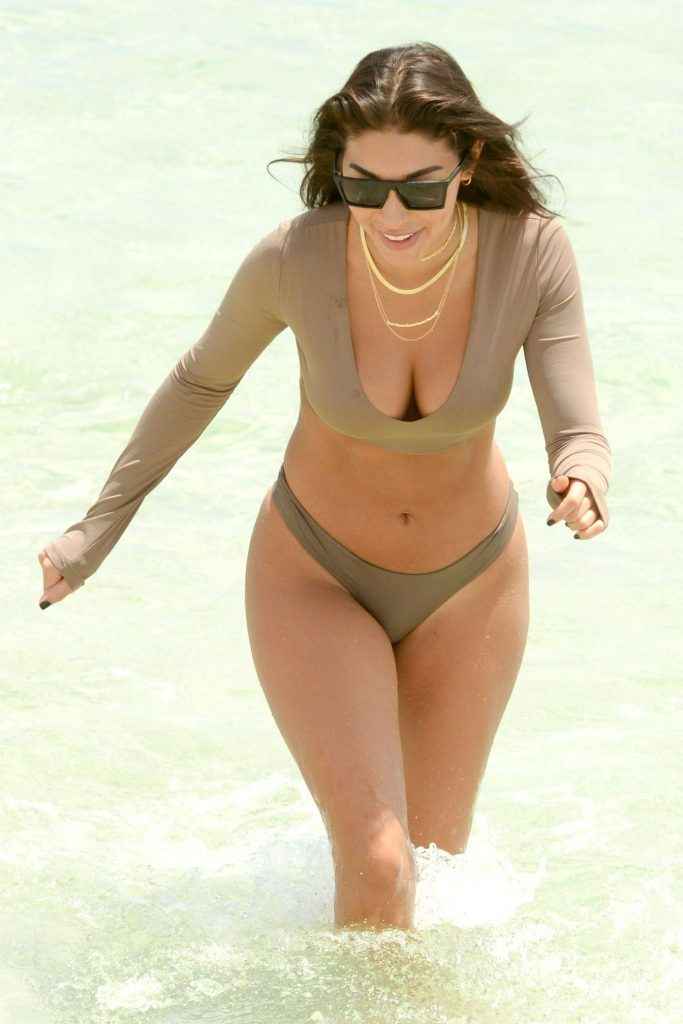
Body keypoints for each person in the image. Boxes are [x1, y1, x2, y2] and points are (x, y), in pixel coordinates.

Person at [37, 43, 611, 933]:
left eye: (419, 187)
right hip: (316, 572)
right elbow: (199, 382)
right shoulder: (295, 258)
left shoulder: (530, 251)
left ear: (467, 162)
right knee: (380, 866)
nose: (391, 213)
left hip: (472, 583)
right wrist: (95, 532)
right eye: (363, 186)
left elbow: (575, 423)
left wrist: (583, 478)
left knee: (431, 870)